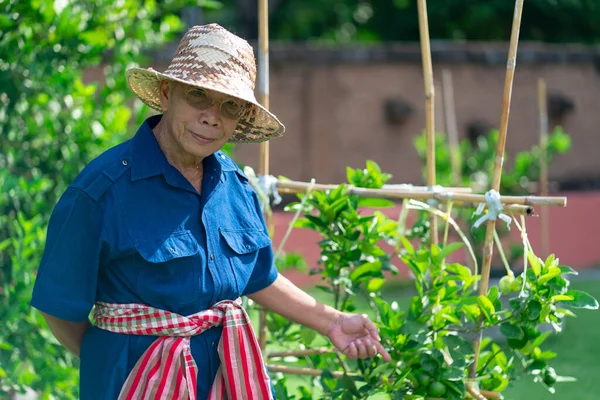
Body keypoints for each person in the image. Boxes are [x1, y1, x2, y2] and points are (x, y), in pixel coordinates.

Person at [30, 23, 391, 400]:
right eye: (198, 96)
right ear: (168, 93)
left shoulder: (234, 187)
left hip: (226, 379)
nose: (212, 116)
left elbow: (258, 276)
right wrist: (116, 356)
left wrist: (332, 321)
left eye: (229, 105)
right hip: (131, 384)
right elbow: (61, 309)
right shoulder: (101, 190)